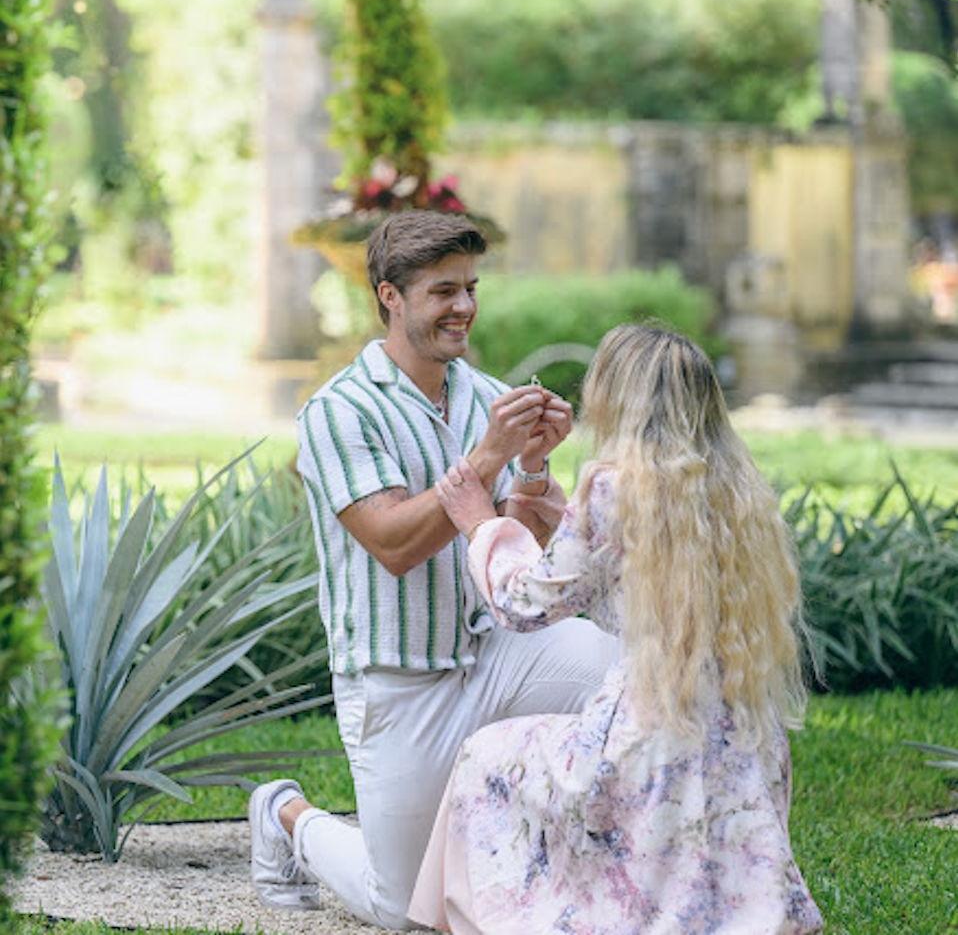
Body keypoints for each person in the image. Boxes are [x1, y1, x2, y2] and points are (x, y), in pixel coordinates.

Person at [247, 210, 618, 929]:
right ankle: (286, 816)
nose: (465, 307)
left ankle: (566, 855)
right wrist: (488, 456)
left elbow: (516, 543)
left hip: (499, 650)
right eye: (443, 291)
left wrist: (533, 465)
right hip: (400, 679)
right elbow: (392, 544)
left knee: (626, 672)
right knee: (402, 910)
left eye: (471, 288)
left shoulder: (484, 394)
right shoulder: (338, 411)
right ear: (390, 296)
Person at [408, 324, 824, 934]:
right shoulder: (734, 487)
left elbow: (525, 604)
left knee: (488, 754)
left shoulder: (613, 487)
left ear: (618, 397)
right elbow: (625, 591)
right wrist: (544, 487)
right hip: (743, 743)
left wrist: (479, 524)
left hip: (645, 744)